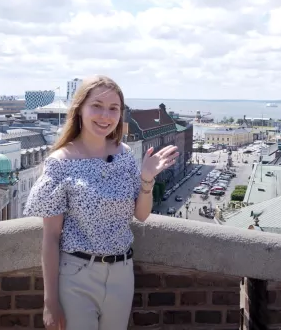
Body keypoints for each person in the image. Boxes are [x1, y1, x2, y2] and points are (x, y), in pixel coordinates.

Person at [24, 75, 179, 330]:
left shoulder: (125, 155)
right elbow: (50, 237)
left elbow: (140, 215)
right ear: (80, 109)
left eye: (113, 108)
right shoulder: (60, 162)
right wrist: (50, 301)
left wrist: (147, 178)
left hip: (122, 273)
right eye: (97, 105)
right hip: (77, 275)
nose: (105, 116)